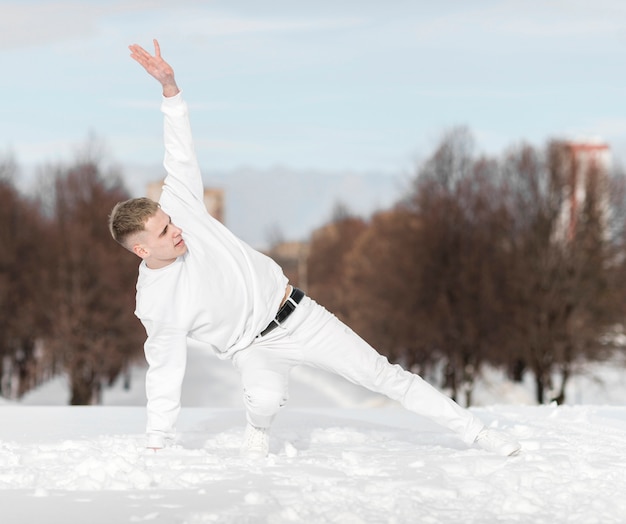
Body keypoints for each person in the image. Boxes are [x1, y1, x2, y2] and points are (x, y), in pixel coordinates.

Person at [109, 39, 521, 458]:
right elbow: (164, 369)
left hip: (300, 315)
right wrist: (157, 441)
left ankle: (477, 433)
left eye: (169, 222)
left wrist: (170, 87)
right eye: (163, 234)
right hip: (251, 348)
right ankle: (258, 426)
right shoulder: (156, 302)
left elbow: (179, 149)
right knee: (265, 399)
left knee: (383, 375)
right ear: (141, 251)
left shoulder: (181, 204)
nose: (176, 231)